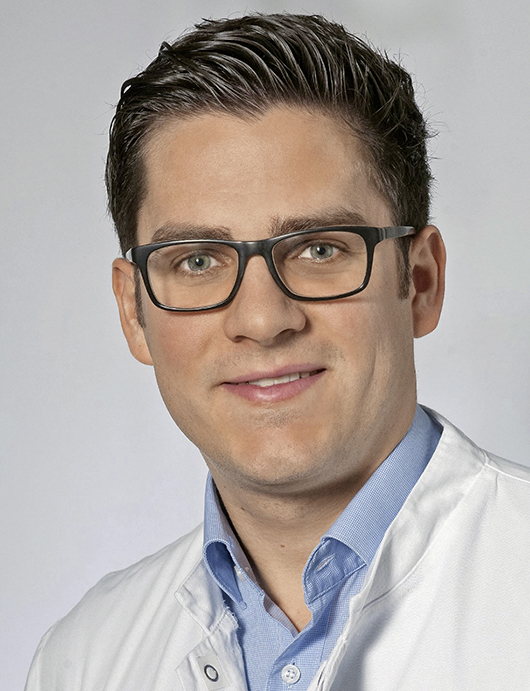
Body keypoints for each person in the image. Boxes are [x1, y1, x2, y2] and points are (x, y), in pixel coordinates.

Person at [25, 13, 530, 691]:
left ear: (420, 282)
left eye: (319, 249)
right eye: (197, 259)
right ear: (133, 311)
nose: (262, 320)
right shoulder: (84, 660)